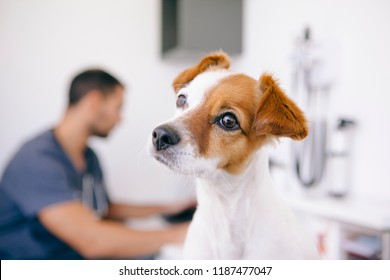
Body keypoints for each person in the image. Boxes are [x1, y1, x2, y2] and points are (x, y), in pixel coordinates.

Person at [0, 69, 192, 259]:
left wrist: (167, 208)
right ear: (94, 102)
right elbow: (92, 241)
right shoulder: (36, 159)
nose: (120, 118)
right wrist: (182, 233)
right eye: (118, 108)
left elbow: (104, 208)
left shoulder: (89, 157)